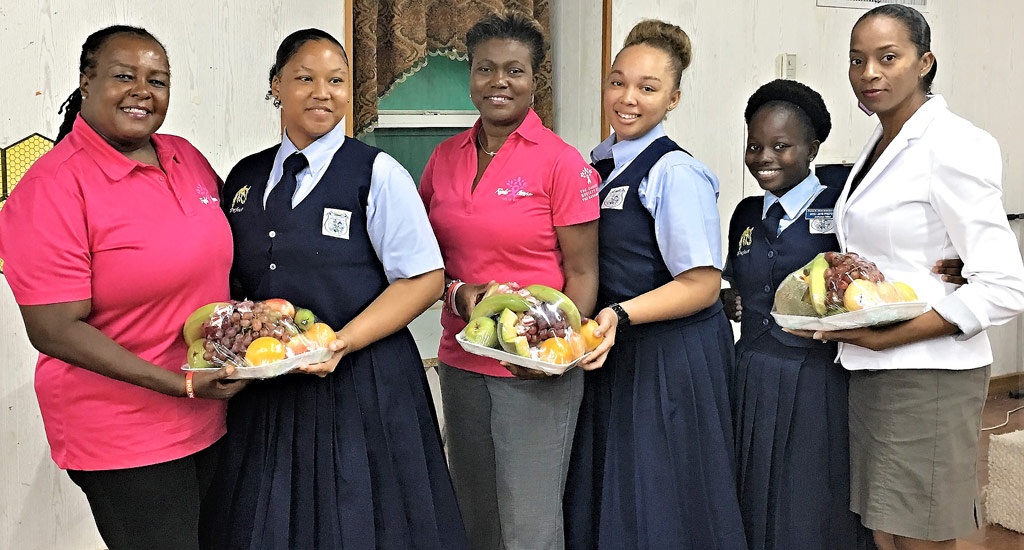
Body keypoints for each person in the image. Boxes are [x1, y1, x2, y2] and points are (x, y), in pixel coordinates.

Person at [200, 29, 466, 549]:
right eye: (305, 78)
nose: (323, 93)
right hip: (268, 389)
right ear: (277, 85)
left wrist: (340, 341)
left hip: (364, 386)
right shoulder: (244, 178)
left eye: (336, 80)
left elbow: (425, 279)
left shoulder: (377, 173)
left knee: (364, 520)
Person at [0, 25, 247, 550]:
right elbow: (53, 329)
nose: (142, 90)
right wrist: (177, 384)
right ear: (85, 83)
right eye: (122, 76)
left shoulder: (185, 157)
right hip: (123, 431)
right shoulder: (53, 188)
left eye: (157, 80)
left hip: (209, 412)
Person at [791, 5, 1024, 550]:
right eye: (857, 60)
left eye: (887, 57)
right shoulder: (879, 144)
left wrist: (888, 334)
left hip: (928, 373)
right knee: (885, 528)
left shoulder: (952, 144)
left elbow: (1006, 284)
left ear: (925, 62)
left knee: (924, 533)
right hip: (873, 367)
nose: (869, 72)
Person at [418, 10, 600, 550]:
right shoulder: (444, 157)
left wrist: (552, 353)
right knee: (474, 512)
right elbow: (426, 259)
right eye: (485, 69)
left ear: (534, 79)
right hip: (460, 360)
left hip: (533, 371)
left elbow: (584, 272)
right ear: (470, 76)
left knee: (529, 523)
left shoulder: (561, 163)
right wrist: (456, 293)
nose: (499, 81)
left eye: (514, 71)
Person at [563, 19, 746, 550]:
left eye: (648, 88)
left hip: (672, 356)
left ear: (673, 99)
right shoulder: (598, 162)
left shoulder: (673, 172)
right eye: (618, 82)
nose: (628, 98)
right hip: (616, 349)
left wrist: (619, 315)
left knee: (663, 496)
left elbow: (703, 284)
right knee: (616, 490)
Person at [721, 79, 876, 550]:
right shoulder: (746, 213)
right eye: (755, 146)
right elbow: (737, 276)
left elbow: (869, 278)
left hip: (818, 375)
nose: (764, 157)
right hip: (752, 369)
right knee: (754, 486)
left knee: (810, 495)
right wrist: (731, 295)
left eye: (781, 146)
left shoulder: (842, 205)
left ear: (812, 147)